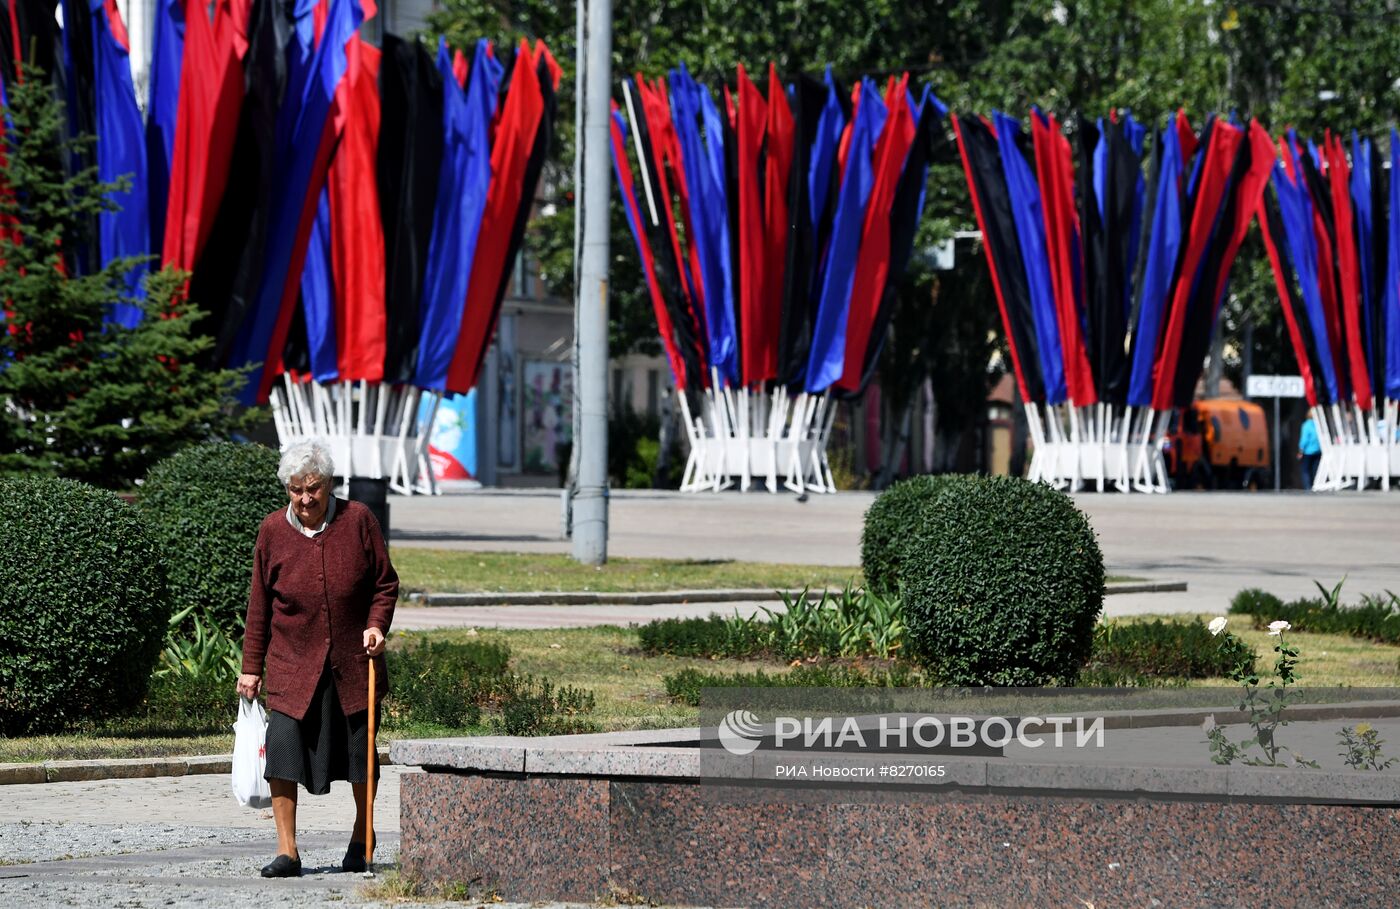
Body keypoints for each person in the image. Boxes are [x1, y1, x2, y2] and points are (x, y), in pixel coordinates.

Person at [237, 441, 398, 878]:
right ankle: (287, 851)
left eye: (313, 488)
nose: (305, 499)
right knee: (283, 750)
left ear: (328, 484)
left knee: (361, 754)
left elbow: (385, 584)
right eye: (295, 490)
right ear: (286, 489)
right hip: (292, 664)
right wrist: (251, 667)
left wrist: (376, 625)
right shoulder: (271, 531)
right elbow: (260, 606)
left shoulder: (358, 520)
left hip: (353, 662)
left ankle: (362, 838)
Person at [1297, 415, 1322, 490]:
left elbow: (1304, 439)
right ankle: (1315, 485)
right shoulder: (1319, 424)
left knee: (1305, 470)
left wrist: (1301, 450)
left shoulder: (1306, 425)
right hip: (1318, 450)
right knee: (1315, 469)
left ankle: (1307, 487)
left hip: (1308, 451)